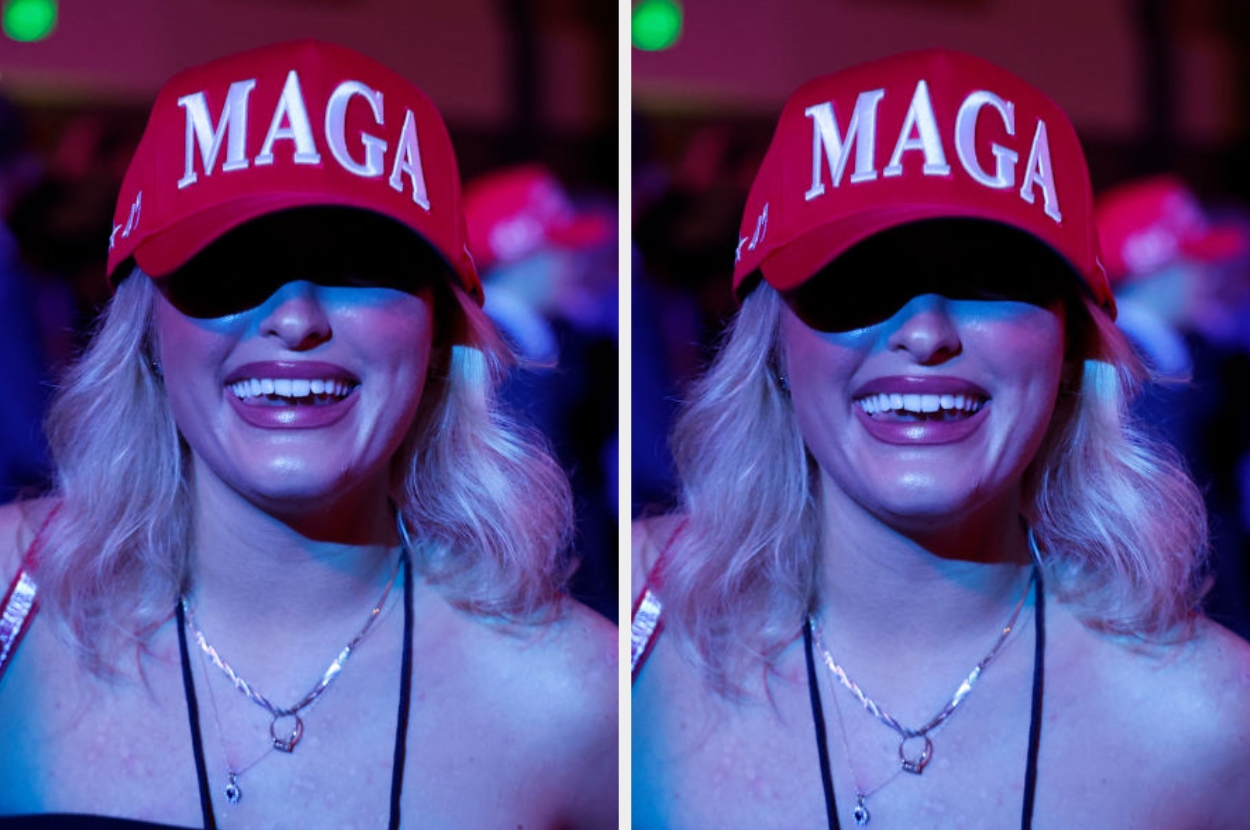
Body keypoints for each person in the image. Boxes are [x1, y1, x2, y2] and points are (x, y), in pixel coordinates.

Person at [0, 40, 616, 830]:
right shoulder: (14, 613)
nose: (295, 319)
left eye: (357, 264)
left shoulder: (581, 702)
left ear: (439, 329)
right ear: (146, 326)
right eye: (232, 262)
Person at [632, 49, 1250, 830]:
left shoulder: (1216, 724)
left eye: (988, 277)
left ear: (1070, 345)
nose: (925, 333)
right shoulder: (633, 636)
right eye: (860, 274)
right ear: (773, 344)